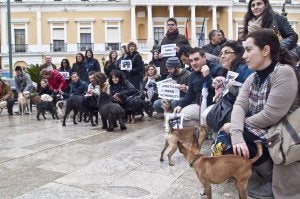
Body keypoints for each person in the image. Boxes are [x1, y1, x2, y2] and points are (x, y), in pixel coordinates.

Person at [229, 29, 300, 198]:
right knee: (232, 134)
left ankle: (272, 179)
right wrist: (235, 132)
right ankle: (260, 171)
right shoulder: (252, 78)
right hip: (266, 130)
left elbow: (270, 116)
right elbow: (239, 106)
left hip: (285, 133)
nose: (244, 56)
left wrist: (237, 128)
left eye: (248, 49)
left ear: (266, 50)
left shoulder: (283, 72)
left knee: (240, 133)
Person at [173, 48, 219, 126]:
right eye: (191, 61)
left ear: (204, 57)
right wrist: (180, 105)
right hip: (199, 106)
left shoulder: (217, 69)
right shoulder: (193, 75)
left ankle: (204, 127)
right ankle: (202, 127)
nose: (193, 63)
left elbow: (219, 91)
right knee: (176, 118)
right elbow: (190, 95)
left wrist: (207, 76)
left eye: (196, 59)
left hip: (214, 107)